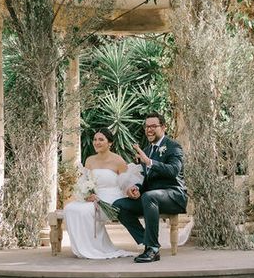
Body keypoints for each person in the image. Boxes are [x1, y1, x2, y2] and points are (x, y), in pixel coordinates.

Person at [114, 112, 187, 263]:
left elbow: (174, 171)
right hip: (151, 198)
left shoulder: (174, 146)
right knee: (118, 206)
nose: (149, 130)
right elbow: (147, 180)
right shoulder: (146, 151)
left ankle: (153, 249)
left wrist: (150, 162)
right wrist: (136, 189)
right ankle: (147, 242)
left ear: (163, 127)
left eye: (154, 126)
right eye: (147, 126)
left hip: (174, 195)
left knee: (150, 196)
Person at [63, 129, 137, 259]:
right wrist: (87, 194)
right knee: (70, 208)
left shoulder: (118, 161)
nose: (97, 142)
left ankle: (94, 248)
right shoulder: (90, 160)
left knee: (84, 211)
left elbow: (126, 184)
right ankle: (84, 247)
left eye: (101, 140)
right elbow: (85, 182)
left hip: (111, 197)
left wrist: (132, 192)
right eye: (95, 139)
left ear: (110, 143)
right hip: (93, 196)